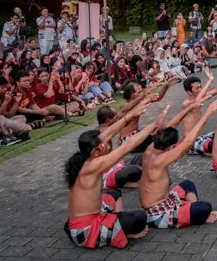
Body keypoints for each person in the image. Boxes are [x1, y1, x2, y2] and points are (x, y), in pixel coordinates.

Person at [64, 107, 164, 249]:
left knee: (113, 193)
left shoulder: (84, 158)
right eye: (103, 144)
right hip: (85, 231)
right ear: (95, 151)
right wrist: (154, 125)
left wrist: (130, 116)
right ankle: (119, 229)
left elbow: (107, 133)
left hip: (74, 226)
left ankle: (117, 224)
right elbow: (127, 146)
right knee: (140, 217)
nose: (107, 144)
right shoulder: (92, 165)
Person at [139, 100, 217, 229]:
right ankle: (196, 214)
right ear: (171, 147)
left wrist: (189, 108)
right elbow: (188, 143)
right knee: (205, 208)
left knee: (187, 185)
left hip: (164, 201)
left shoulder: (151, 149)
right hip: (157, 214)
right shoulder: (158, 160)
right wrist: (207, 113)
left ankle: (193, 210)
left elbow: (170, 128)